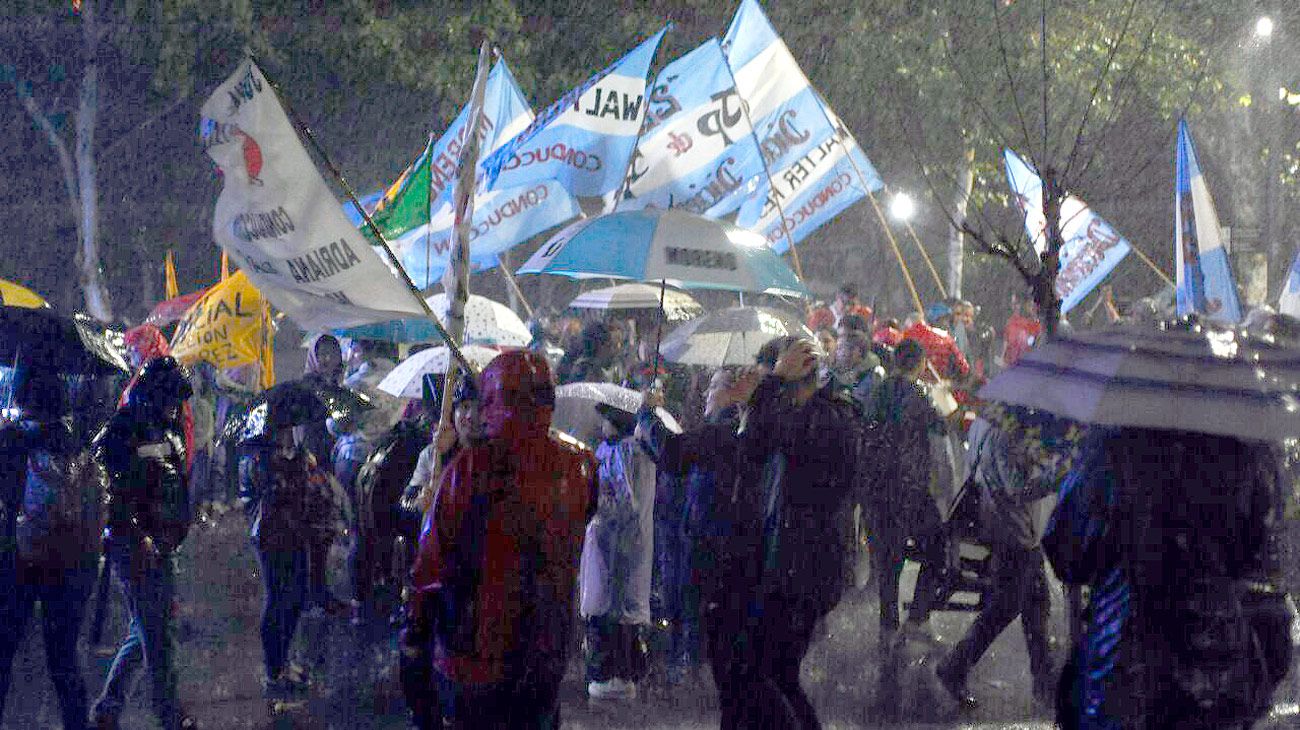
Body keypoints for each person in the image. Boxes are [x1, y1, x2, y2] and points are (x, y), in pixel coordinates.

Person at [1045, 426, 1292, 729]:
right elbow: (1252, 554)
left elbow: (1068, 553)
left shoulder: (1109, 449)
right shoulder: (1236, 452)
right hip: (1213, 659)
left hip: (1123, 657)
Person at [401, 352, 596, 729]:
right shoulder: (580, 462)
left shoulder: (471, 468)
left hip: (475, 651)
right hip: (546, 650)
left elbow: (432, 560)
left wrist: (415, 631)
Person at [640, 365, 756, 726]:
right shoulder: (740, 428)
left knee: (698, 617)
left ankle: (695, 701)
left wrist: (647, 412)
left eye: (714, 387)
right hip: (721, 538)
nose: (707, 394)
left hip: (710, 539)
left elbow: (672, 453)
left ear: (734, 391)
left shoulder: (723, 431)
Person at [90, 357, 196, 730]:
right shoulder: (123, 429)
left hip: (162, 542)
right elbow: (111, 492)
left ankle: (108, 707)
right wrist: (138, 536)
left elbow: (175, 486)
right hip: (135, 546)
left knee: (147, 628)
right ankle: (169, 714)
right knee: (158, 634)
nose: (174, 408)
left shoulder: (168, 429)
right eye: (170, 399)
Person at [0, 368, 100, 730]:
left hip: (18, 559)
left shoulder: (11, 441)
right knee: (63, 659)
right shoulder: (77, 442)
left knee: (4, 652)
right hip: (66, 561)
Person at [936, 413, 1055, 710]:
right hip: (1012, 532)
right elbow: (1016, 489)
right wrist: (1055, 478)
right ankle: (954, 666)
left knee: (1036, 603)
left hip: (1004, 528)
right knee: (1006, 608)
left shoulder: (981, 424)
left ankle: (1045, 685)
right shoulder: (1005, 435)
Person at [864, 339, 950, 714]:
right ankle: (917, 616)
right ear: (918, 363)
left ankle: (888, 625)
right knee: (937, 548)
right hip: (910, 488)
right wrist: (942, 397)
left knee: (888, 559)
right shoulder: (917, 392)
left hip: (877, 489)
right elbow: (940, 426)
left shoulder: (877, 391)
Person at [238, 401, 317, 698]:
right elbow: (276, 494)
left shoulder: (285, 456)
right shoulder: (259, 459)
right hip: (273, 537)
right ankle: (274, 671)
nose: (289, 432)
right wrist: (297, 466)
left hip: (294, 533)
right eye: (283, 428)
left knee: (296, 598)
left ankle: (283, 660)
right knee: (279, 600)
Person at [579, 403, 655, 700]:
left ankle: (615, 674)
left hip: (619, 546)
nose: (601, 426)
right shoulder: (620, 449)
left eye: (606, 421)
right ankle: (614, 672)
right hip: (611, 545)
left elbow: (626, 505)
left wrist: (596, 497)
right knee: (612, 607)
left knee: (615, 608)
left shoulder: (626, 452)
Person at [557, 320, 626, 385]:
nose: (612, 351)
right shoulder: (586, 371)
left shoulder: (595, 369)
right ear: (600, 346)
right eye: (610, 345)